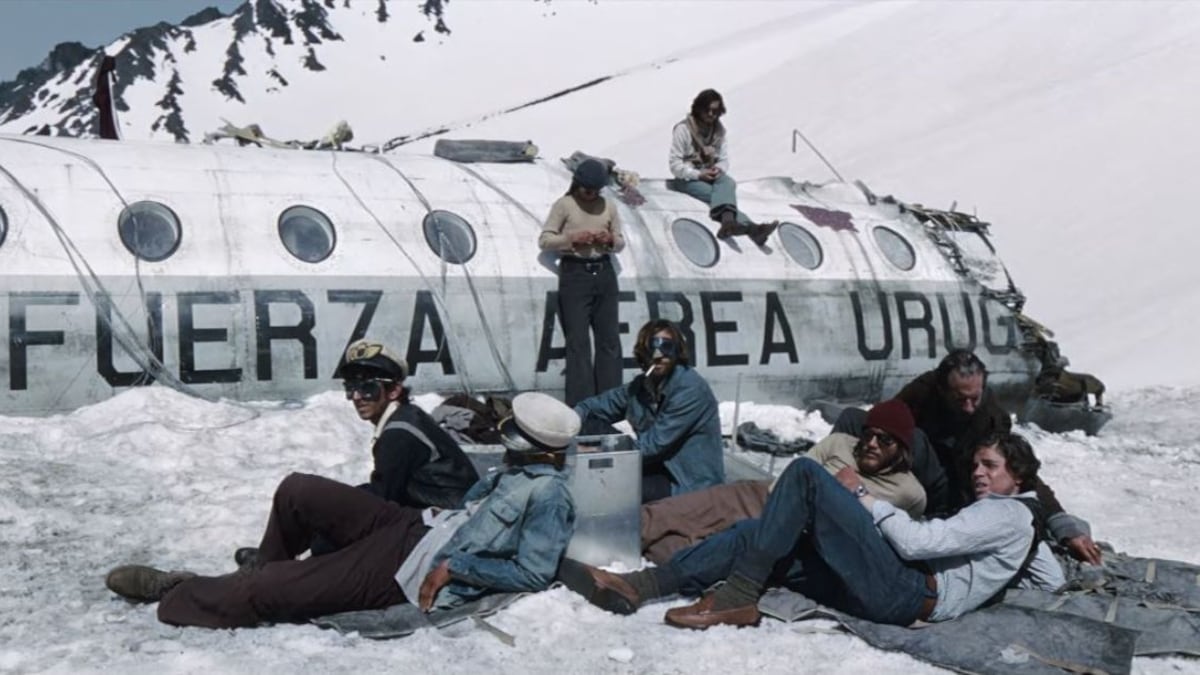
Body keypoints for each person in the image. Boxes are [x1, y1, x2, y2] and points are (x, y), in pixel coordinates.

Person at [104, 392, 580, 628]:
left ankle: (181, 591)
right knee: (299, 491)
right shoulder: (518, 471)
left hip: (409, 566)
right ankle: (260, 582)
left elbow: (534, 572)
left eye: (513, 430)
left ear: (538, 447)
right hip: (415, 526)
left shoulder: (550, 495)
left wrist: (456, 567)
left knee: (269, 585)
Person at [561, 432, 1066, 631]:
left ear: (1017, 477)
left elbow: (916, 543)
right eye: (976, 464)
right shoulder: (1019, 522)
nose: (979, 474)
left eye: (991, 466)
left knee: (807, 476)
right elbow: (1049, 579)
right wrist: (998, 578)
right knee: (759, 537)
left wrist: (863, 499)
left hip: (908, 590)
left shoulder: (1004, 513)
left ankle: (736, 597)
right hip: (901, 589)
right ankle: (642, 585)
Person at [841, 349, 1102, 564]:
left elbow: (1019, 473)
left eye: (974, 399)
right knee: (854, 419)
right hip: (910, 467)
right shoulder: (923, 391)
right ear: (942, 390)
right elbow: (884, 421)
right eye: (960, 399)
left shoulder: (990, 418)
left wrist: (1063, 526)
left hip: (948, 493)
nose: (968, 408)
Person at [235, 338, 480, 565]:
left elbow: (380, 507)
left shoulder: (399, 435)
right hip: (434, 509)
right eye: (351, 387)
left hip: (444, 526)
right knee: (335, 502)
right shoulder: (406, 417)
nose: (356, 397)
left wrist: (323, 540)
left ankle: (278, 566)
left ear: (393, 391)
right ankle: (275, 556)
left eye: (368, 389)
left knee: (319, 504)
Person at [640, 399, 926, 563]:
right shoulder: (839, 443)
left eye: (884, 439)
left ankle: (665, 552)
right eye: (868, 434)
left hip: (800, 535)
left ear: (900, 447)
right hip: (769, 497)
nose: (871, 444)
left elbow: (893, 539)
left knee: (693, 552)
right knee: (688, 509)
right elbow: (793, 477)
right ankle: (622, 533)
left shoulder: (910, 493)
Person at [574, 319, 724, 503]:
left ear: (677, 350)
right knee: (589, 423)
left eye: (666, 347)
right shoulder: (642, 385)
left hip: (684, 482)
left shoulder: (689, 389)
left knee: (610, 489)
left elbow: (651, 446)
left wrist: (596, 451)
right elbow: (591, 407)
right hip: (653, 465)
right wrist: (567, 427)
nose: (658, 354)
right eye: (651, 347)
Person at [538, 159, 626, 407]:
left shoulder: (608, 206)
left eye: (597, 191)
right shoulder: (564, 205)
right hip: (575, 273)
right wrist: (571, 239)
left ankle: (611, 402)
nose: (592, 195)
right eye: (588, 190)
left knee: (609, 340)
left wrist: (609, 240)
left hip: (604, 272)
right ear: (578, 186)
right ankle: (582, 406)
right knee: (578, 342)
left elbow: (620, 242)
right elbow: (545, 240)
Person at [668, 88, 776, 246]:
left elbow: (724, 159)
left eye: (716, 111)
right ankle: (751, 229)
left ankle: (730, 224)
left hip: (710, 175)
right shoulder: (683, 130)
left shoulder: (719, 131)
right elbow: (675, 165)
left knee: (728, 183)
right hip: (688, 178)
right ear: (699, 108)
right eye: (708, 110)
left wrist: (718, 169)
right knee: (719, 197)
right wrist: (698, 174)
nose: (711, 115)